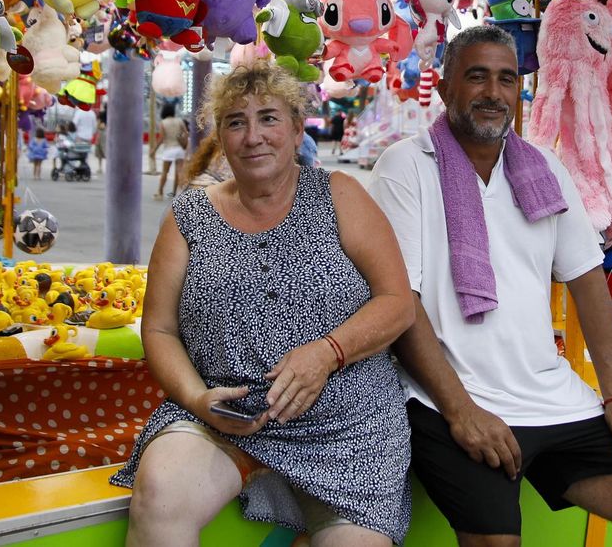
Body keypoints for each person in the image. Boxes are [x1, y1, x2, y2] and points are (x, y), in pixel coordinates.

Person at [368, 25, 612, 547]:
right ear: (445, 87)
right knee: (498, 542)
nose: (494, 93)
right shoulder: (406, 166)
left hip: (550, 395)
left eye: (507, 80)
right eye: (476, 77)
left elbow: (588, 283)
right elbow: (403, 304)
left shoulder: (544, 168)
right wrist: (463, 412)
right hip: (445, 397)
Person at [113, 62, 415, 546]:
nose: (253, 136)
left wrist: (327, 352)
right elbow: (161, 330)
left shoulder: (339, 195)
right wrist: (195, 400)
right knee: (159, 499)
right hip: (224, 419)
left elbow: (398, 303)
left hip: (348, 428)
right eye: (236, 122)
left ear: (298, 130)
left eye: (269, 118)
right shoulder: (190, 215)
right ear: (221, 138)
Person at [153, 101, 190, 200]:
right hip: (179, 149)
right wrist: (185, 144)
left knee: (165, 172)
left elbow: (161, 139)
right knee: (179, 172)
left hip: (169, 149)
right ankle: (175, 193)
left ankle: (160, 192)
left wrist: (154, 150)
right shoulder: (179, 121)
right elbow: (186, 133)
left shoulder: (163, 123)